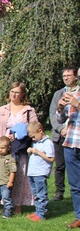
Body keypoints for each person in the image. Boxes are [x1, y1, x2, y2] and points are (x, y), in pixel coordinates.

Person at [0, 82, 38, 215]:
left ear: (22, 94)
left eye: (17, 92)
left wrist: (22, 133)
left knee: (19, 176)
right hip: (4, 149)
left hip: (20, 149)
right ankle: (5, 204)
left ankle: (18, 205)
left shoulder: (28, 110)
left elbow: (36, 127)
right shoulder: (2, 110)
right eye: (12, 92)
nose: (14, 94)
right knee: (3, 177)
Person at [55, 71, 80, 228]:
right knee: (75, 184)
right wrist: (60, 109)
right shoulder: (71, 93)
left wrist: (77, 104)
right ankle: (79, 216)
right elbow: (61, 119)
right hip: (71, 143)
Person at [49, 68, 77, 201]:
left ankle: (75, 192)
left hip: (75, 135)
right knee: (59, 165)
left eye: (69, 75)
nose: (66, 78)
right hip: (60, 135)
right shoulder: (58, 94)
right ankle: (59, 192)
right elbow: (53, 114)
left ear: (75, 77)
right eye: (64, 76)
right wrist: (60, 129)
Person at [26, 122, 54, 221]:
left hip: (40, 173)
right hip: (32, 172)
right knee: (36, 194)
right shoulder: (35, 142)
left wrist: (37, 152)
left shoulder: (48, 143)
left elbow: (51, 158)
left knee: (41, 194)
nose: (33, 139)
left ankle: (41, 214)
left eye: (34, 136)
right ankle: (37, 211)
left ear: (40, 131)